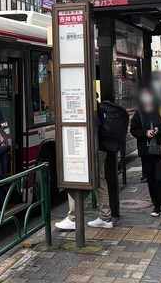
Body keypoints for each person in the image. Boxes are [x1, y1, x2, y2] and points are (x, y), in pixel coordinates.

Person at [55, 98, 113, 230]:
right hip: (100, 150)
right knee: (100, 181)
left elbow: (92, 129)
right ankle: (105, 217)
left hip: (91, 151)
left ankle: (73, 218)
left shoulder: (88, 110)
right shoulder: (97, 107)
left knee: (75, 180)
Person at [130, 87, 161, 219]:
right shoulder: (139, 113)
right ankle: (156, 205)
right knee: (151, 179)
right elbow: (134, 130)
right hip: (146, 151)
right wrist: (145, 133)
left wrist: (159, 130)